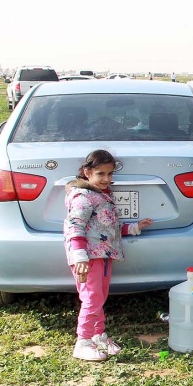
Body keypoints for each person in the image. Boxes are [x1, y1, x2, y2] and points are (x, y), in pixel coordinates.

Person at [64, 149, 153, 361]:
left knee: (99, 297)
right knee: (91, 298)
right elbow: (74, 226)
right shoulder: (83, 197)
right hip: (88, 258)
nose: (106, 179)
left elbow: (107, 227)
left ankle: (98, 335)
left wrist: (133, 228)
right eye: (100, 174)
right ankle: (83, 341)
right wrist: (80, 256)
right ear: (87, 172)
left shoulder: (102, 196)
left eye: (110, 174)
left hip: (102, 256)